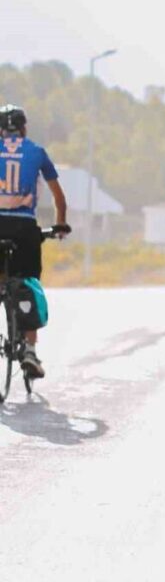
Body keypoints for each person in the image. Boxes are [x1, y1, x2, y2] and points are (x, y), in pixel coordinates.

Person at [0, 104, 68, 379]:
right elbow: (59, 198)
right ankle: (29, 350)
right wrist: (60, 224)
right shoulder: (37, 152)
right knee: (27, 282)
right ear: (24, 128)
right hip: (25, 227)